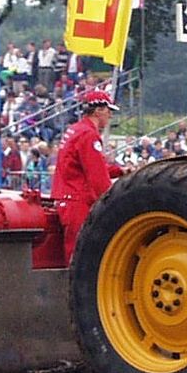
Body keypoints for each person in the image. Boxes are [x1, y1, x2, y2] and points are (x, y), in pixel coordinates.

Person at [51, 90, 124, 263]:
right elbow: (98, 178)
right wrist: (112, 204)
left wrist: (120, 171)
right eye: (109, 111)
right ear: (98, 110)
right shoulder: (88, 135)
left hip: (67, 197)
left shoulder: (75, 130)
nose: (110, 116)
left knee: (74, 251)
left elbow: (86, 165)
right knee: (80, 255)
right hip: (78, 201)